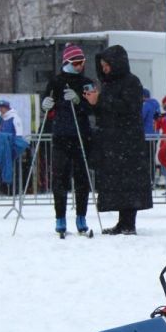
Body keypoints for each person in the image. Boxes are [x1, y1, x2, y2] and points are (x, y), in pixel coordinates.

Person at [83, 45, 153, 235]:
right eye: (103, 66)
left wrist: (100, 101)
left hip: (128, 142)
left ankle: (128, 222)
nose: (105, 69)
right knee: (119, 183)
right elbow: (107, 110)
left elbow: (128, 108)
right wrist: (93, 104)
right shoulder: (108, 84)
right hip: (113, 142)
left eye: (107, 65)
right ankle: (123, 222)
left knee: (129, 183)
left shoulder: (132, 82)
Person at [41, 43, 94, 237]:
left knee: (82, 178)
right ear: (67, 62)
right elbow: (47, 104)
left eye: (82, 62)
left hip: (81, 135)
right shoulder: (55, 81)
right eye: (76, 63)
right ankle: (60, 218)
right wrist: (45, 105)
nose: (80, 66)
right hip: (61, 136)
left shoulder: (86, 82)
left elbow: (92, 108)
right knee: (60, 178)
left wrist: (79, 101)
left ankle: (81, 216)